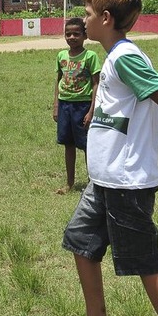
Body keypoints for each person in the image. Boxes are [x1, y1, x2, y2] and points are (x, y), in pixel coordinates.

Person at [53, 0, 158, 316]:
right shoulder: (115, 58)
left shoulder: (127, 57)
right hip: (104, 180)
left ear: (107, 18)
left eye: (88, 12)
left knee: (145, 263)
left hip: (127, 184)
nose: (84, 18)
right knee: (81, 241)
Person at [53, 17, 101, 194]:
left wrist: (91, 110)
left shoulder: (91, 56)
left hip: (83, 106)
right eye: (68, 34)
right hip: (65, 104)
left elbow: (96, 84)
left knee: (88, 145)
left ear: (85, 36)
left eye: (76, 34)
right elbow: (58, 80)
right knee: (68, 144)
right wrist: (56, 105)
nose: (72, 37)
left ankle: (93, 183)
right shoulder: (61, 56)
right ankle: (70, 183)